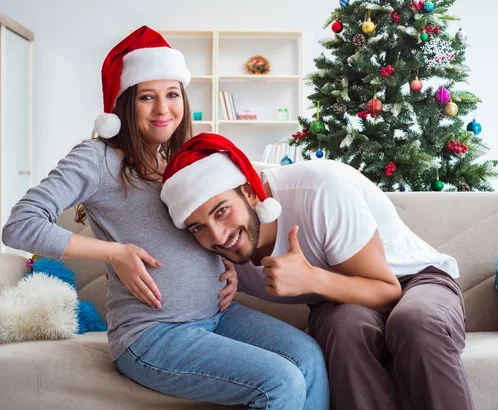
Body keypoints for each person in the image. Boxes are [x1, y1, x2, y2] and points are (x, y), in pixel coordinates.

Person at [1, 26, 328, 410]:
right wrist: (114, 253)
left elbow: (198, 229)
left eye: (172, 95)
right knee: (280, 380)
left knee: (308, 357)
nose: (163, 109)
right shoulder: (96, 158)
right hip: (152, 334)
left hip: (216, 317)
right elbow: (21, 224)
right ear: (125, 104)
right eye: (146, 97)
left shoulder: (179, 162)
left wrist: (222, 263)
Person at [160, 133, 475, 410]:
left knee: (414, 321)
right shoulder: (211, 253)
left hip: (415, 280)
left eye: (222, 211)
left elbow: (388, 291)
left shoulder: (319, 189)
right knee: (343, 328)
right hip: (337, 302)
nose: (217, 236)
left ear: (250, 193)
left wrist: (310, 279)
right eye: (199, 227)